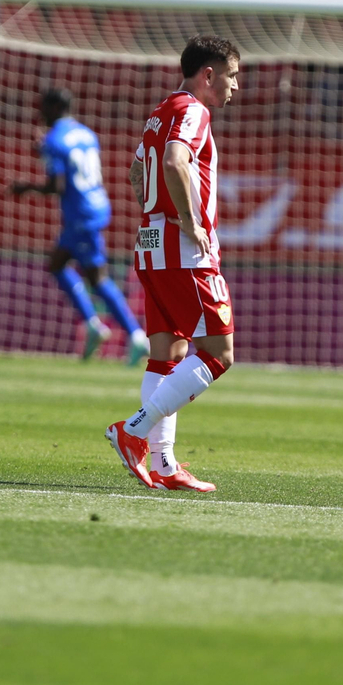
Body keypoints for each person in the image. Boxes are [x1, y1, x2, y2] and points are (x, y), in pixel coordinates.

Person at [107, 35, 242, 493]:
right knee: (218, 354)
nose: (235, 86)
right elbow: (173, 161)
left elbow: (135, 173)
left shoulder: (161, 110)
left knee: (169, 353)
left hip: (150, 242)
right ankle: (134, 429)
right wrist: (188, 220)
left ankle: (164, 465)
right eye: (231, 75)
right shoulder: (193, 110)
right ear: (209, 74)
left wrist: (159, 216)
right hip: (179, 246)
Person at [10, 88, 151, 364]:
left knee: (94, 277)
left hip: (80, 214)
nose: (39, 115)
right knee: (63, 267)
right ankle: (105, 327)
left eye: (42, 110)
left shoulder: (54, 140)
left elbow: (57, 186)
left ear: (52, 109)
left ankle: (128, 334)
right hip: (96, 204)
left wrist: (25, 187)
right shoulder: (87, 133)